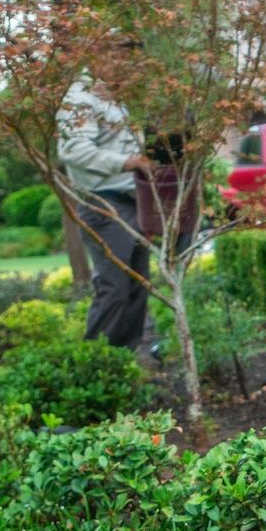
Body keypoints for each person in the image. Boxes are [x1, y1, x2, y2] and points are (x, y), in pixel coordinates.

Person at [57, 73, 156, 350]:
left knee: (137, 286)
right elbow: (73, 149)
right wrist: (126, 162)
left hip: (130, 201)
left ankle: (128, 359)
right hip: (104, 204)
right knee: (114, 289)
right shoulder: (81, 97)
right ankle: (97, 359)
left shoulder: (113, 96)